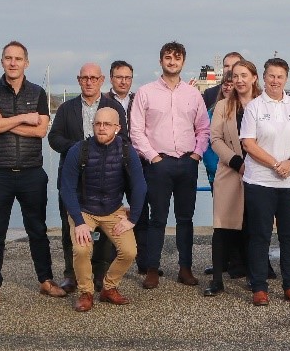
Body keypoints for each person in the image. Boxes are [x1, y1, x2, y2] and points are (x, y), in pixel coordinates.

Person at [0, 41, 64, 304]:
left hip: (31, 172)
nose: (13, 63)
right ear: (2, 61)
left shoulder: (37, 93)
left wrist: (2, 121)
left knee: (37, 229)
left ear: (26, 62)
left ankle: (45, 280)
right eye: (8, 58)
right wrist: (22, 118)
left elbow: (40, 131)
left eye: (18, 58)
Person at [128, 41, 210, 289]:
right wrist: (152, 157)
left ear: (183, 61)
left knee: (186, 219)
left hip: (187, 163)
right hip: (158, 164)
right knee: (157, 219)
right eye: (167, 57)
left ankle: (185, 268)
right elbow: (136, 130)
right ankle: (152, 269)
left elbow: (203, 128)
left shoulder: (193, 94)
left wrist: (197, 154)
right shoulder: (146, 92)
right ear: (160, 61)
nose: (172, 62)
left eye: (176, 58)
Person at [239, 58, 290, 306]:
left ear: (286, 78)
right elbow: (248, 143)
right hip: (261, 181)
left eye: (280, 76)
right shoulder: (254, 107)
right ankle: (259, 287)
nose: (275, 81)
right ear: (263, 77)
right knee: (260, 235)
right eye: (271, 76)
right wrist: (275, 164)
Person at [48, 63, 127, 294]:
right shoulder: (66, 108)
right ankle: (71, 275)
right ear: (78, 80)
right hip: (72, 176)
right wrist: (80, 149)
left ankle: (100, 273)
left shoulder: (113, 107)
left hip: (105, 178)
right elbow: (54, 138)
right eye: (85, 78)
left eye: (94, 78)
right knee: (70, 227)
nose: (89, 81)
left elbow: (123, 137)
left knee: (103, 226)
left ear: (102, 80)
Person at [58, 108, 146, 312]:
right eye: (98, 124)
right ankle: (85, 292)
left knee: (129, 251)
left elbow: (140, 185)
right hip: (84, 210)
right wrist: (79, 222)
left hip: (113, 209)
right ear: (93, 126)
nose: (102, 128)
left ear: (117, 128)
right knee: (81, 249)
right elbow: (67, 188)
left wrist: (132, 219)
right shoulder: (79, 150)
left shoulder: (126, 150)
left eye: (107, 124)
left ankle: (109, 288)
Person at [204, 60, 259, 296]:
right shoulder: (223, 106)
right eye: (235, 76)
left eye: (244, 75)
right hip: (230, 169)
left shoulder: (263, 105)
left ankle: (254, 275)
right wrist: (236, 161)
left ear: (254, 78)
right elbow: (215, 139)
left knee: (254, 225)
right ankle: (217, 278)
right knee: (223, 225)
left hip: (259, 171)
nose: (239, 80)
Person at [201, 71, 233, 188]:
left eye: (232, 85)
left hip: (240, 173)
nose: (228, 88)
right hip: (217, 173)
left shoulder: (247, 110)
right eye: (225, 84)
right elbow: (206, 143)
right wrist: (215, 168)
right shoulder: (211, 113)